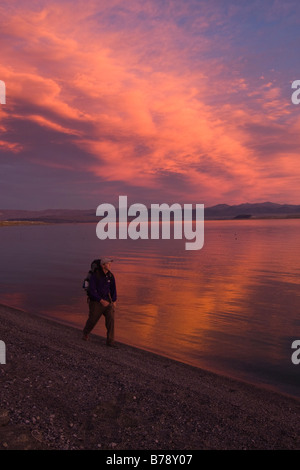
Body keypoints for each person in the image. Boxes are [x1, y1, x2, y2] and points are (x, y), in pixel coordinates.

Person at [82, 258, 118, 348]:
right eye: (108, 264)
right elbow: (92, 291)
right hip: (96, 302)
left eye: (110, 264)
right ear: (103, 265)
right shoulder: (95, 276)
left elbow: (113, 289)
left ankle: (110, 341)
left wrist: (114, 300)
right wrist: (101, 301)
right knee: (92, 320)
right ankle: (85, 333)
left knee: (111, 320)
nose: (110, 265)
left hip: (108, 302)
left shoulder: (110, 275)